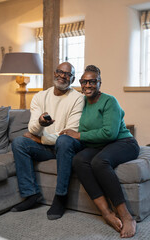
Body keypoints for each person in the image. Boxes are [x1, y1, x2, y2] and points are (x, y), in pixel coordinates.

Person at [60, 65, 140, 238]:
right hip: (100, 145)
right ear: (80, 83)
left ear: (99, 83)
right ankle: (106, 213)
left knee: (99, 162)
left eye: (92, 81)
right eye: (84, 81)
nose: (88, 85)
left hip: (123, 142)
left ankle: (127, 216)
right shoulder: (82, 103)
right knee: (79, 160)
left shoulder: (109, 101)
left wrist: (79, 135)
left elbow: (109, 133)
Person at [11, 62, 84, 220]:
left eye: (67, 74)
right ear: (54, 73)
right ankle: (31, 195)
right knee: (18, 143)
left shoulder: (78, 99)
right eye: (60, 72)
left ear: (72, 79)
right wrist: (40, 123)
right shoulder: (40, 97)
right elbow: (32, 128)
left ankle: (60, 197)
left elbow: (70, 133)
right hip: (46, 147)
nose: (62, 76)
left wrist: (39, 139)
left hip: (64, 147)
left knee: (64, 141)